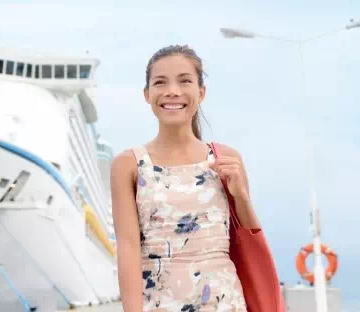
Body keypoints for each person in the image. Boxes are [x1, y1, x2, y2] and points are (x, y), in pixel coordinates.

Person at [110, 44, 263, 312]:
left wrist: (240, 194)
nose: (172, 91)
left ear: (201, 92)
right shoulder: (128, 164)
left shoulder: (225, 158)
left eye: (185, 81)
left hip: (225, 303)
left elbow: (250, 238)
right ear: (147, 95)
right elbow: (128, 249)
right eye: (160, 82)